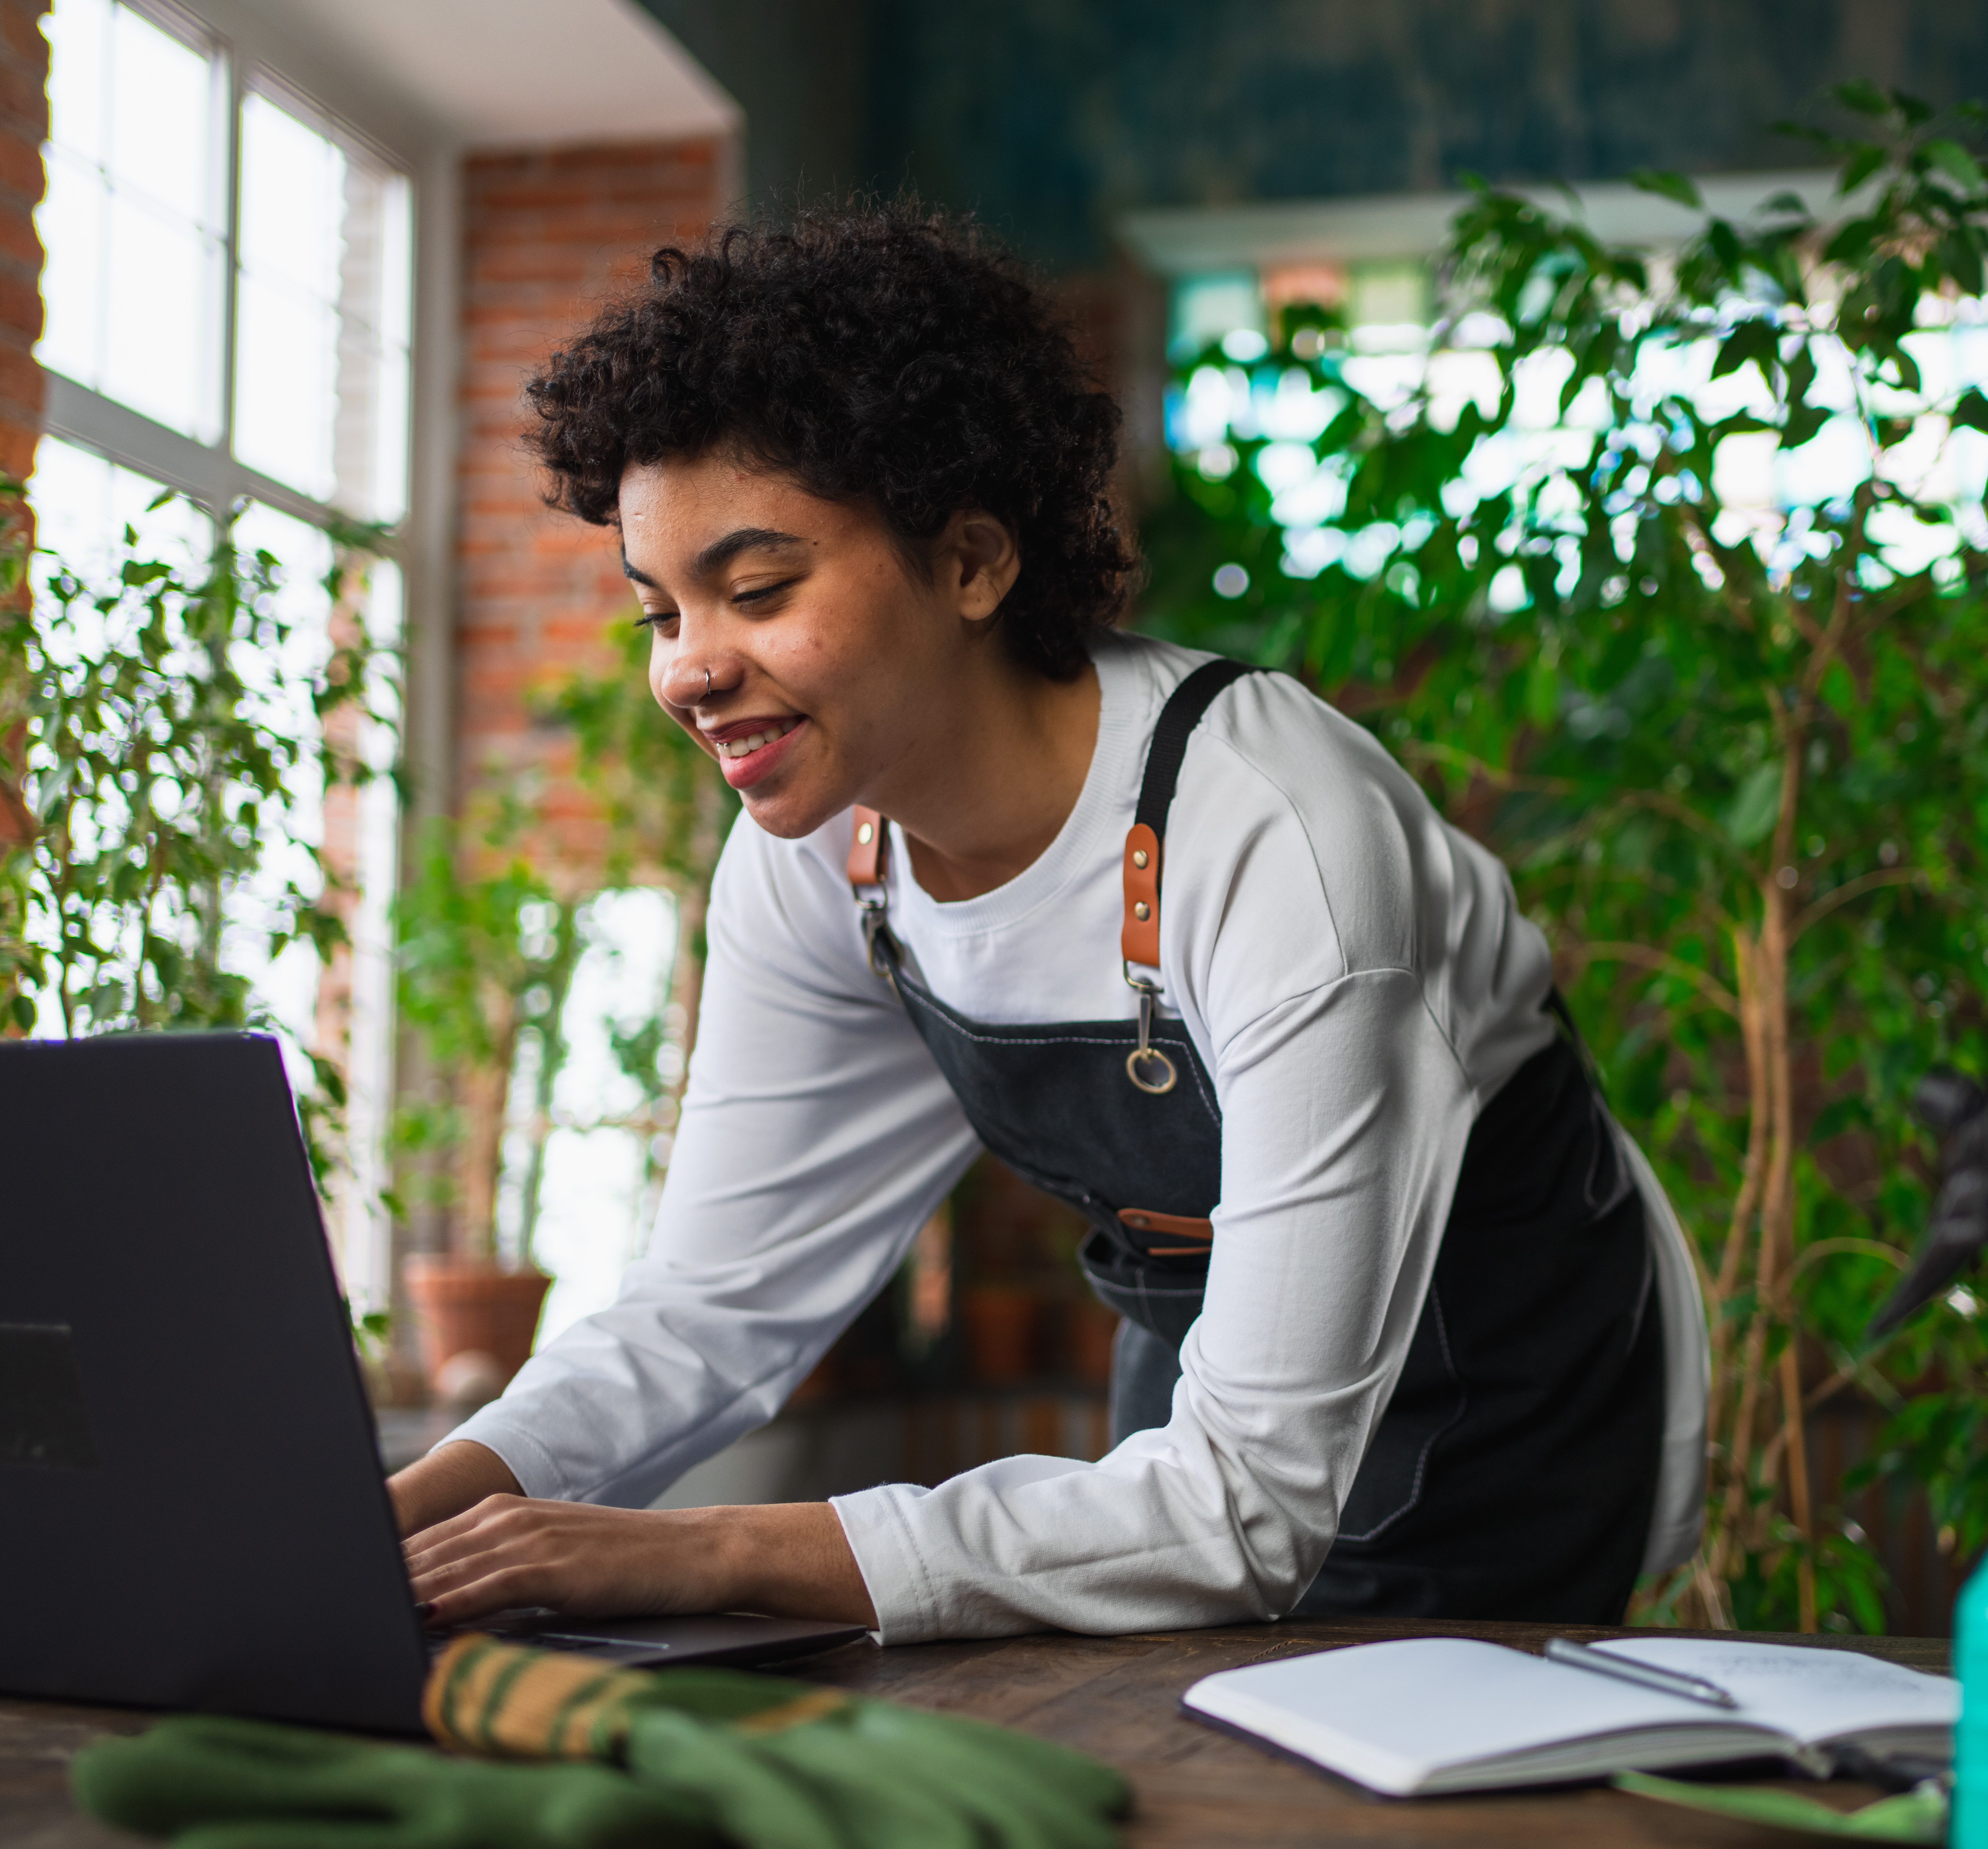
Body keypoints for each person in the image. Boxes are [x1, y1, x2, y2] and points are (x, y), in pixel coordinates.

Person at [390, 208, 1705, 1645]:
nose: (693, 671)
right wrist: (420, 1503)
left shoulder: (1276, 840)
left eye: (757, 591)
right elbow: (715, 1305)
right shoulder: (817, 851)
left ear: (970, 562)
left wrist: (707, 1554)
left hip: (1502, 1423)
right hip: (1199, 1418)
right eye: (659, 613)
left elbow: (1248, 1509)